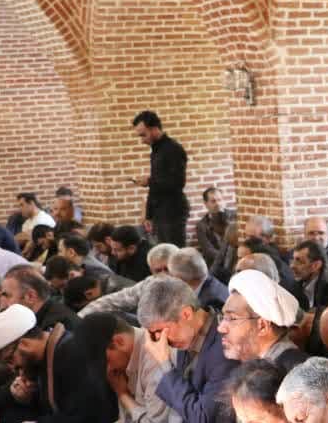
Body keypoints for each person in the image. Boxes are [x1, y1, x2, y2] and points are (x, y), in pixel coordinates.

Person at [137, 278, 237, 423]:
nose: (161, 341)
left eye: (160, 331)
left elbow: (202, 419)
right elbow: (180, 409)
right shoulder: (187, 337)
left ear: (186, 314)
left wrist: (164, 364)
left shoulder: (224, 349)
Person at [0, 304, 118, 423]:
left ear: (24, 344)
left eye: (10, 359)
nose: (12, 367)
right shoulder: (42, 357)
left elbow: (84, 415)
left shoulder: (71, 354)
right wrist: (21, 398)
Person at [60, 312, 171, 423]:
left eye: (105, 361)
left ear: (118, 342)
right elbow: (130, 419)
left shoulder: (153, 359)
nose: (107, 369)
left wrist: (123, 395)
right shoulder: (125, 355)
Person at [218, 269, 306, 368]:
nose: (220, 328)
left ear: (263, 326)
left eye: (231, 318)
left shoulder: (291, 371)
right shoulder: (258, 363)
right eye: (223, 317)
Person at [133, 110, 189, 247]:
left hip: (172, 211)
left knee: (174, 253)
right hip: (160, 211)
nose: (142, 140)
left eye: (143, 135)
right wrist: (149, 215)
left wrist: (149, 181)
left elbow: (178, 182)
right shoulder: (156, 150)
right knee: (164, 253)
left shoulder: (173, 149)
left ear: (154, 129)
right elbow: (157, 183)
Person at [78, 242, 180, 317]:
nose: (164, 274)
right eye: (158, 271)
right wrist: (80, 317)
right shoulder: (149, 283)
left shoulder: (188, 281)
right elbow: (112, 301)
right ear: (151, 271)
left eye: (168, 269)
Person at [1, 265, 80, 331]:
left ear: (30, 296)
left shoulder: (56, 326)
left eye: (7, 295)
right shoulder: (37, 318)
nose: (3, 304)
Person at [195, 186, 234, 265]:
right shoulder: (201, 225)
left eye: (219, 200)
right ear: (206, 204)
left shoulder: (234, 216)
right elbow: (208, 250)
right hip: (218, 263)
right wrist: (227, 259)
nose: (218, 204)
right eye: (213, 201)